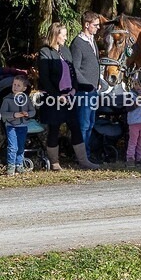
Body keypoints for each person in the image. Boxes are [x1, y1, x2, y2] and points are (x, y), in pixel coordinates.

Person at [37, 23, 95, 170]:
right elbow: (45, 79)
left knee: (75, 127)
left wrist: (74, 89)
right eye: (63, 34)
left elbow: (73, 72)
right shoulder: (45, 52)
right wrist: (57, 96)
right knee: (54, 128)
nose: (65, 37)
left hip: (69, 96)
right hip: (53, 98)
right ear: (55, 35)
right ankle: (55, 163)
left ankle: (83, 161)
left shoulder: (66, 51)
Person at [71, 11, 102, 162]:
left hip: (93, 90)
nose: (98, 28)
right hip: (84, 92)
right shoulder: (78, 43)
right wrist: (87, 84)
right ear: (87, 25)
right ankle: (81, 156)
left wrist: (99, 83)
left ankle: (86, 154)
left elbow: (94, 65)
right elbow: (75, 69)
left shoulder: (92, 40)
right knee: (83, 125)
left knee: (90, 124)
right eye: (95, 25)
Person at [1, 74, 36, 176]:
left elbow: (32, 111)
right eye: (14, 84)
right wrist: (13, 115)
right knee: (12, 147)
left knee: (20, 147)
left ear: (24, 88)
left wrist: (28, 114)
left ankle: (19, 165)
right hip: (11, 126)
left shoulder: (26, 99)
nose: (15, 87)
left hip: (23, 126)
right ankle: (11, 166)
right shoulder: (7, 99)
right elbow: (2, 113)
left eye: (18, 85)